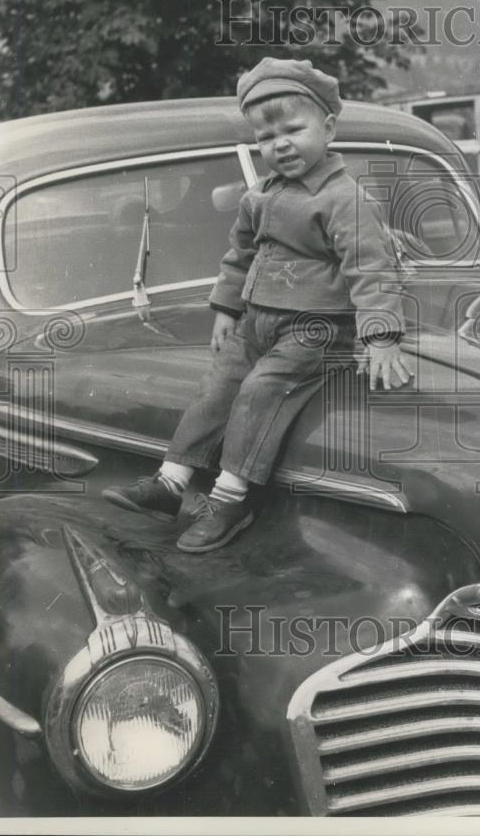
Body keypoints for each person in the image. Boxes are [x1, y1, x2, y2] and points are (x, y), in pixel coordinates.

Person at [103, 57, 413, 552]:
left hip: (317, 327)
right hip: (257, 321)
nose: (281, 144)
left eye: (293, 129)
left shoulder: (344, 199)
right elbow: (239, 256)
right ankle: (170, 482)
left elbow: (371, 267)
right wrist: (226, 312)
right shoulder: (260, 196)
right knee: (218, 383)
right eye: (267, 138)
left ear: (328, 127)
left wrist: (381, 336)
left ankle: (230, 499)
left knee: (260, 390)